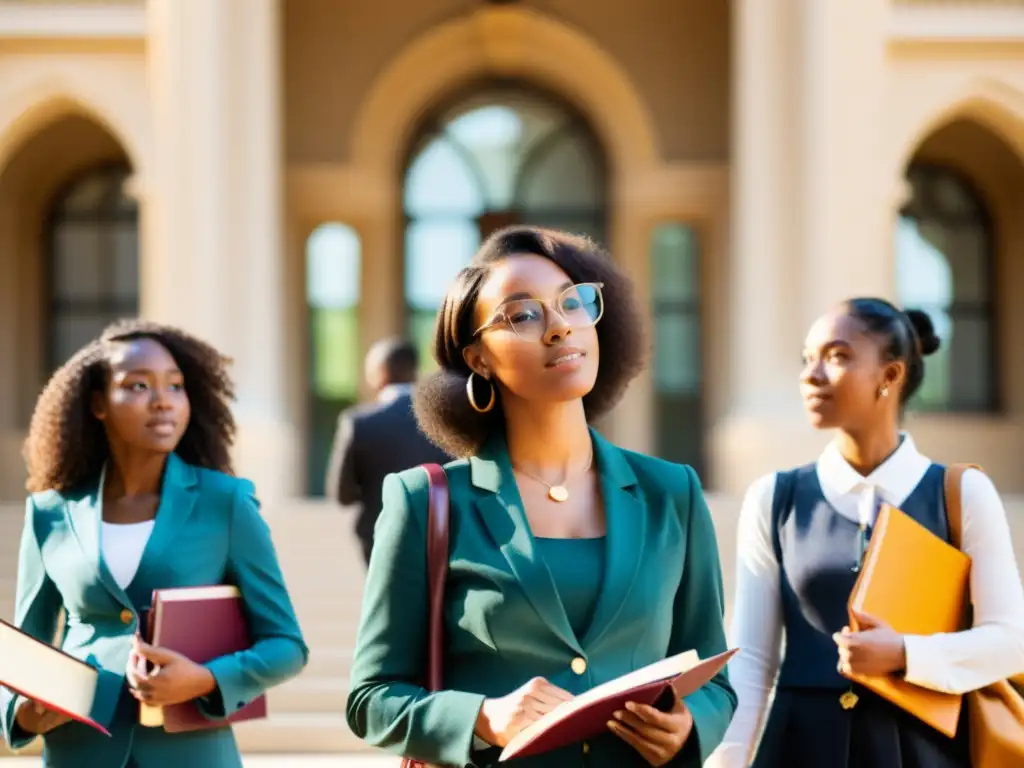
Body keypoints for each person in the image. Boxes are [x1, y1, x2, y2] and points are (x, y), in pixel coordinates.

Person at [345, 226, 736, 767]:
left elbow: (717, 680)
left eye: (572, 302)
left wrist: (691, 726)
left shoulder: (673, 493)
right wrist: (483, 717)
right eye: (523, 315)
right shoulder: (424, 501)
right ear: (479, 357)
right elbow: (371, 699)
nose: (559, 327)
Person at [712, 299, 1024, 768]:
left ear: (891, 376)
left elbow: (1010, 640)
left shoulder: (961, 493)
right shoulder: (773, 497)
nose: (811, 375)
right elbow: (753, 660)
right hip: (799, 749)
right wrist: (726, 761)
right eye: (806, 358)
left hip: (924, 751)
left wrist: (905, 653)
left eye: (837, 356)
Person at [0, 319, 308, 768]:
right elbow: (25, 649)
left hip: (191, 751)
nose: (164, 401)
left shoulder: (226, 503)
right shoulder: (50, 511)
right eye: (139, 385)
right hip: (79, 749)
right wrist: (22, 712)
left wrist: (205, 679)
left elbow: (286, 645)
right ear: (98, 404)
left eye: (176, 386)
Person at [325, 336, 449, 565]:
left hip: (378, 541)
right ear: (414, 370)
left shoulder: (359, 423)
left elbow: (341, 494)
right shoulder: (442, 421)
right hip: (436, 538)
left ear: (379, 371)